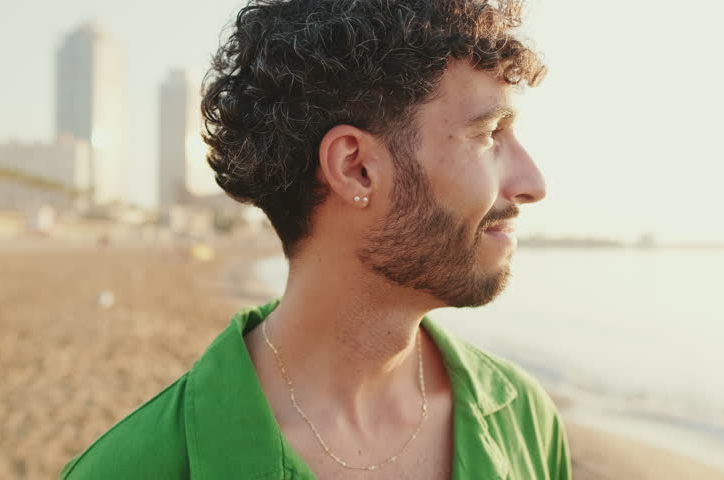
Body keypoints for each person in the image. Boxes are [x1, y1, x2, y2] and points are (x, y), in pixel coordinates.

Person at [60, 0, 571, 478]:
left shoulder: (524, 419)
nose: (533, 183)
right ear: (356, 168)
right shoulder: (134, 466)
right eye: (489, 135)